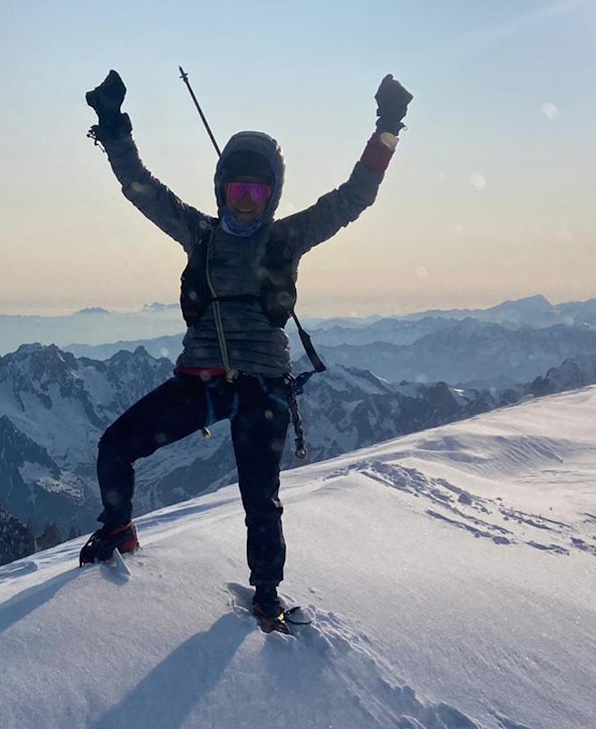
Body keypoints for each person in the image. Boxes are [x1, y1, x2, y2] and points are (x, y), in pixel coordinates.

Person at [77, 68, 412, 632]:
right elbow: (140, 186)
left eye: (258, 192)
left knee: (261, 497)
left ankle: (266, 593)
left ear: (273, 195)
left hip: (262, 384)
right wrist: (113, 125)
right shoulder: (199, 232)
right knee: (114, 448)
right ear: (222, 189)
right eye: (238, 190)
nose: (247, 202)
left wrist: (389, 126)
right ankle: (119, 527)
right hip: (200, 381)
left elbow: (357, 195)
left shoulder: (287, 237)